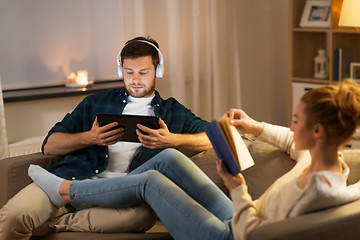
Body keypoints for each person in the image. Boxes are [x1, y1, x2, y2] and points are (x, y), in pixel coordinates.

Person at [28, 79, 360, 240]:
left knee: (151, 181)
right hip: (241, 218)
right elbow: (290, 141)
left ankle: (66, 191)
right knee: (168, 156)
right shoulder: (327, 161)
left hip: (232, 235)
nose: (291, 126)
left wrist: (238, 187)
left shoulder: (320, 190)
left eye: (297, 120)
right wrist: (253, 126)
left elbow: (254, 234)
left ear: (317, 131)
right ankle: (70, 191)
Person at [0, 36, 212, 239]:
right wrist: (90, 138)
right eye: (129, 72)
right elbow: (50, 146)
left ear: (158, 71)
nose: (135, 80)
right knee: (13, 217)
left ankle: (50, 225)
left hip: (118, 197)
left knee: (142, 217)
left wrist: (171, 140)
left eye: (143, 72)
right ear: (121, 70)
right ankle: (57, 210)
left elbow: (213, 137)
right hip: (69, 179)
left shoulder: (173, 111)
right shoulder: (95, 102)